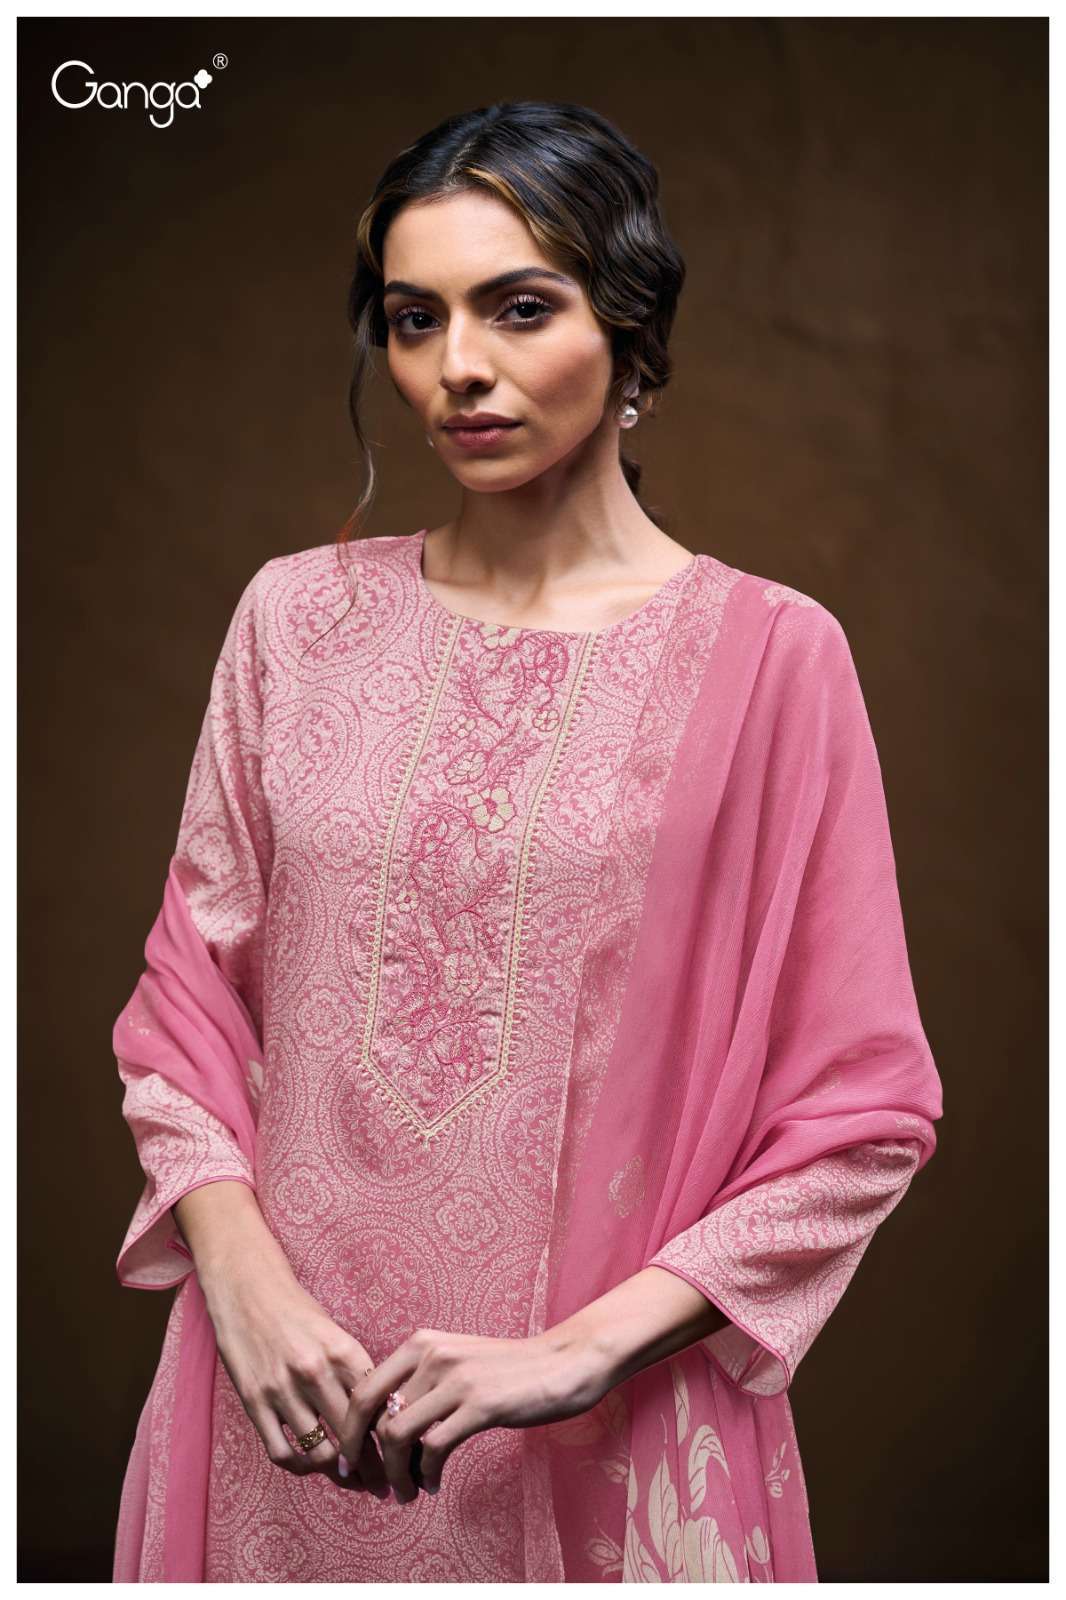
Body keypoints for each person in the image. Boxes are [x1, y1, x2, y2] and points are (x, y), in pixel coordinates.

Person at [111, 100, 943, 1583]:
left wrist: (576, 1354)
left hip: (591, 1437)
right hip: (278, 1405)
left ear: (631, 329)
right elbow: (186, 1015)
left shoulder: (767, 661)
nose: (458, 366)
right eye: (413, 319)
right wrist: (240, 1287)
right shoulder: (296, 620)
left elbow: (860, 1111)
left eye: (518, 307)